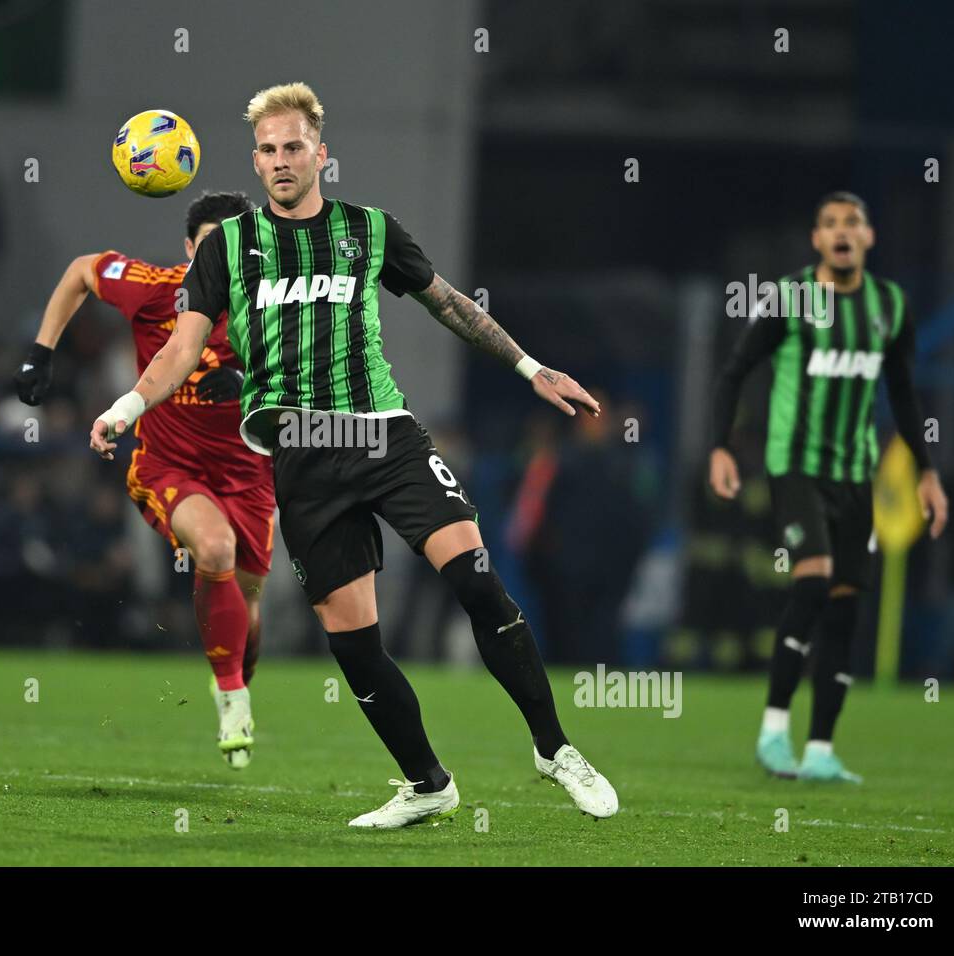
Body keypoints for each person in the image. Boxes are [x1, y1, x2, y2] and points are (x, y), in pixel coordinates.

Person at [89, 82, 618, 827]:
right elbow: (180, 350)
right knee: (355, 644)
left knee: (474, 578)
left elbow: (448, 302)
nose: (280, 160)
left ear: (320, 155)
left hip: (383, 435)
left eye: (293, 147)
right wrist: (127, 406)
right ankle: (427, 783)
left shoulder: (369, 230)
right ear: (257, 159)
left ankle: (555, 749)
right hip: (301, 458)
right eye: (268, 149)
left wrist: (532, 368)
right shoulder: (230, 249)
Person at [15, 191, 275, 769]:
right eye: (209, 245)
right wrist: (41, 350)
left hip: (251, 474)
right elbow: (83, 270)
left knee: (251, 614)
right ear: (189, 249)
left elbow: (310, 382)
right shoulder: (157, 288)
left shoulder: (272, 304)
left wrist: (250, 386)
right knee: (213, 548)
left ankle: (231, 680)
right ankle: (232, 695)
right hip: (167, 465)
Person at [709, 191, 949, 782]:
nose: (843, 232)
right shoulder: (790, 298)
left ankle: (819, 749)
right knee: (813, 579)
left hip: (854, 475)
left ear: (868, 237)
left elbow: (902, 392)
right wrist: (720, 446)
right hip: (796, 468)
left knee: (845, 606)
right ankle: (772, 732)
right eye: (831, 223)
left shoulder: (889, 305)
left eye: (853, 222)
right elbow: (736, 369)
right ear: (817, 239)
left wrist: (927, 471)